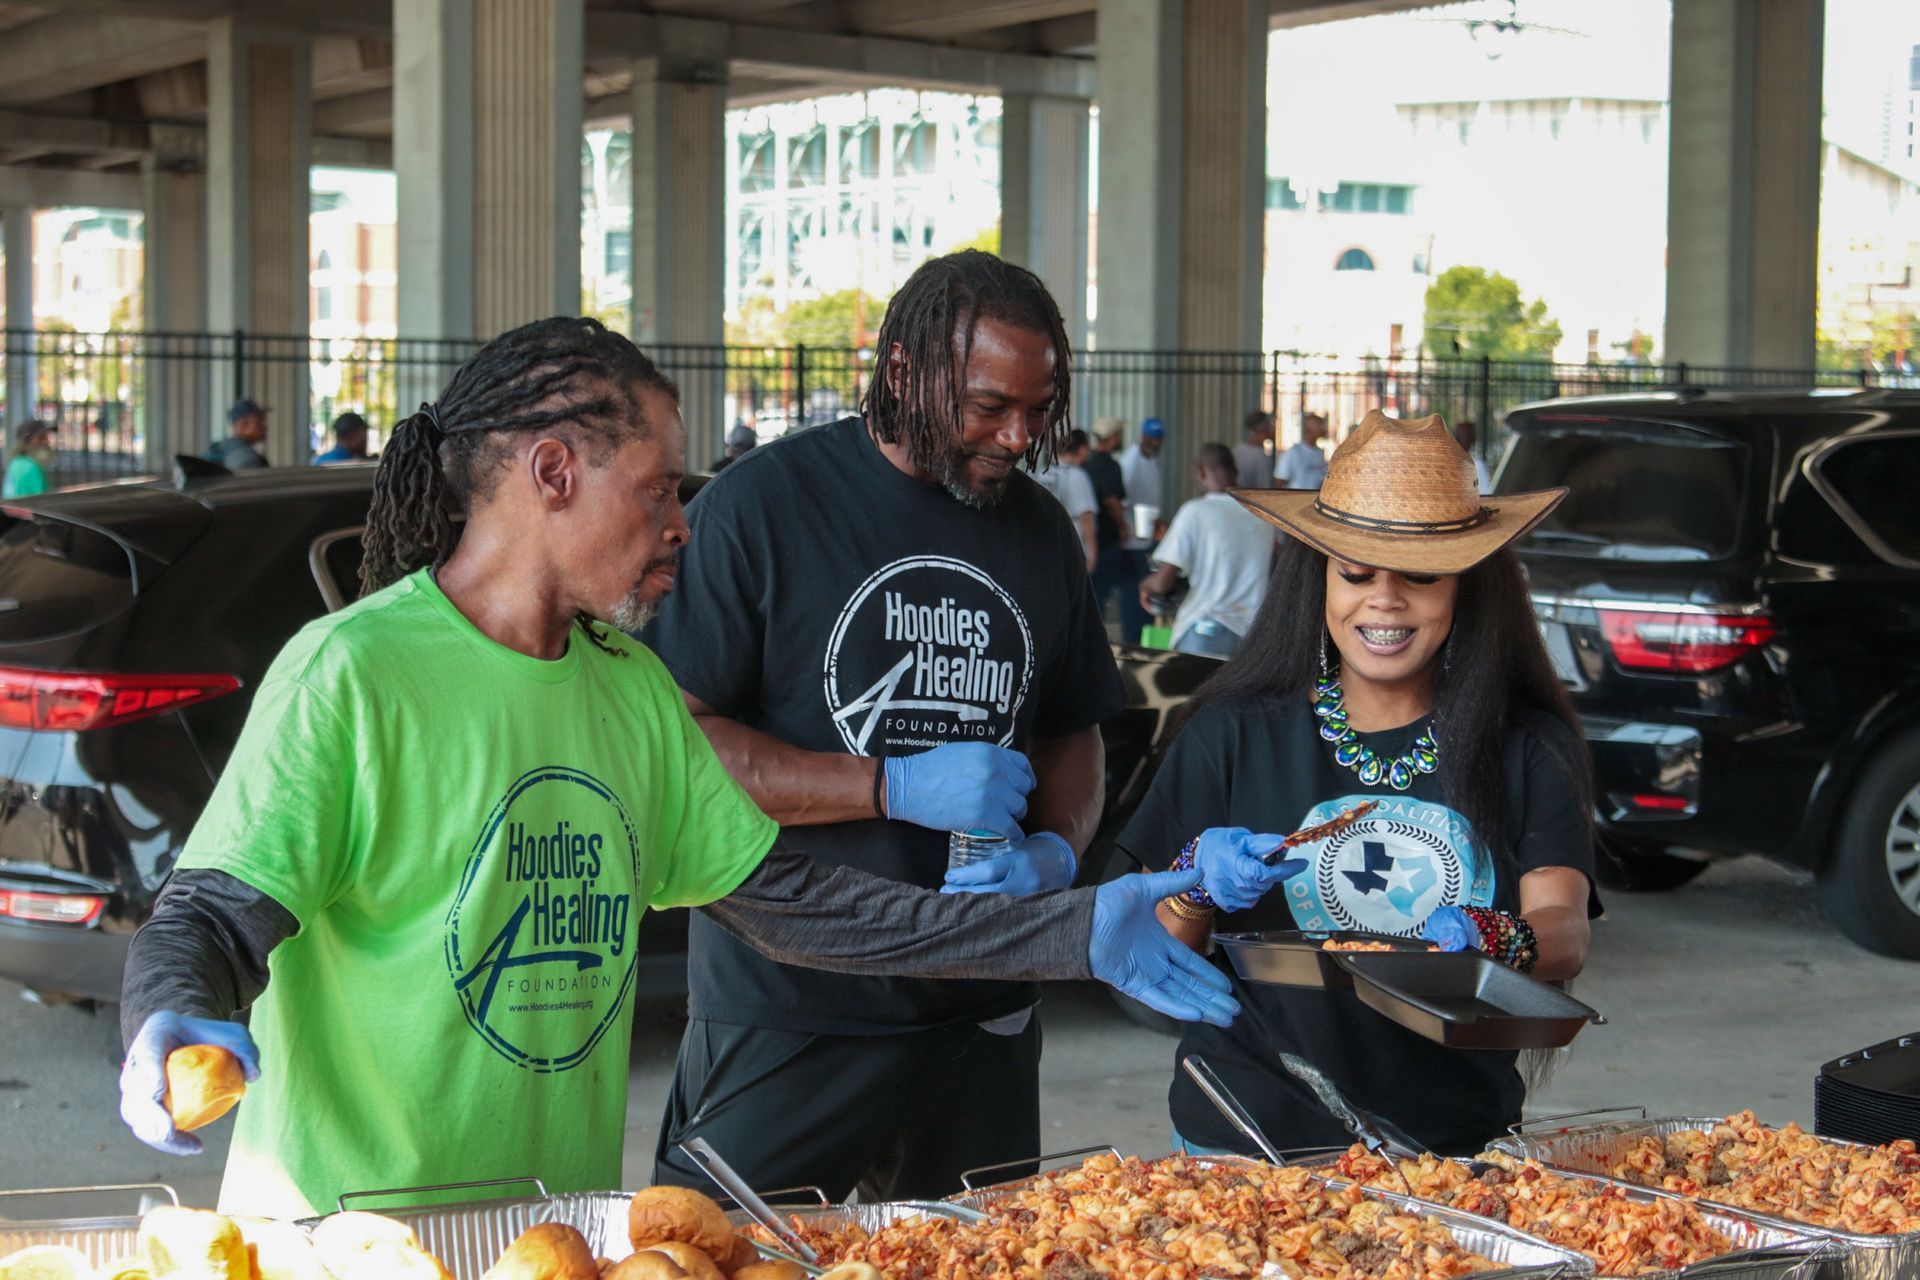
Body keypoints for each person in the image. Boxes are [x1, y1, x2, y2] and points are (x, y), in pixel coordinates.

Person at [114, 316, 1242, 1220]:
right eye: (657, 489)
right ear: (553, 470)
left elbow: (806, 905)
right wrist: (169, 1013)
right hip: (340, 1235)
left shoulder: (629, 689)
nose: (681, 525)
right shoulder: (353, 674)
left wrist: (1076, 926)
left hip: (546, 1232)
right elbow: (209, 913)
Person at [642, 250, 1136, 1202]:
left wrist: (1057, 854)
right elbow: (676, 746)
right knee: (725, 1263)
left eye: (1037, 410)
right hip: (792, 1006)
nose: (1016, 435)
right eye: (989, 406)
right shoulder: (762, 509)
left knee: (970, 1267)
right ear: (902, 370)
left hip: (982, 1006)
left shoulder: (1036, 530)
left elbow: (1076, 729)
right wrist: (888, 784)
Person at [1117, 409, 1598, 1158]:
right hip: (1246, 1140)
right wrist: (1196, 882)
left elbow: (1565, 930)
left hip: (1451, 1147)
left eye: (1420, 576)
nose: (1384, 599)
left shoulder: (1530, 744)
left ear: (1467, 589)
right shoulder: (1231, 731)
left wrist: (1491, 934)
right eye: (1356, 572)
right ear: (1319, 579)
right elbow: (1152, 938)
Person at [1137, 444, 1275, 658]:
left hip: (1205, 632)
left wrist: (1145, 587)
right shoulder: (1264, 514)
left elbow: (1162, 582)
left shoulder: (1195, 511)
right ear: (1235, 471)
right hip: (1252, 638)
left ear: (1199, 471)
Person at [1088, 419, 1150, 644]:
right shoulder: (1110, 466)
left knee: (1095, 596)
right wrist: (1124, 528)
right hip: (1108, 541)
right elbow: (1112, 501)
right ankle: (1112, 642)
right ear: (1114, 437)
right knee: (1113, 591)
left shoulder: (1089, 461)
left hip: (1093, 539)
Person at [1034, 428, 1099, 572]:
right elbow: (1085, 515)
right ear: (1082, 449)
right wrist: (1092, 552)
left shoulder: (1044, 471)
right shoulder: (1077, 475)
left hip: (1044, 542)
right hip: (1070, 543)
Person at [1118, 417, 1166, 536]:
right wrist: (1127, 526)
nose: (1156, 443)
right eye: (1152, 438)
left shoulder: (1152, 458)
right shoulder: (1129, 462)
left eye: (1159, 439)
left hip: (1149, 529)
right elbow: (1121, 500)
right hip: (1132, 531)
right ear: (1143, 436)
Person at [204, 398, 271, 470]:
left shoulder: (225, 448)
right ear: (244, 425)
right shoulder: (242, 454)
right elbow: (247, 474)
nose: (265, 427)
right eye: (260, 422)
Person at [1277, 412, 1330, 490]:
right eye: (1320, 426)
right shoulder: (1293, 452)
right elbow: (1280, 481)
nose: (1324, 429)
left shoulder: (1320, 453)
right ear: (1309, 429)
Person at [3, 420, 53, 498]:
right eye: (41, 438)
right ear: (27, 441)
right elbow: (43, 501)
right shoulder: (31, 467)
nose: (47, 442)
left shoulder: (15, 463)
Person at [1232, 410, 1274, 489]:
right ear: (1263, 428)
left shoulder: (1237, 449)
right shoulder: (1262, 457)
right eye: (1269, 425)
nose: (1272, 429)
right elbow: (1265, 489)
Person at [1456, 419, 1492, 493]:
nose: (1465, 439)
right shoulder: (1450, 464)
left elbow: (1484, 493)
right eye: (1463, 436)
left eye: (1467, 435)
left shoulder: (1478, 465)